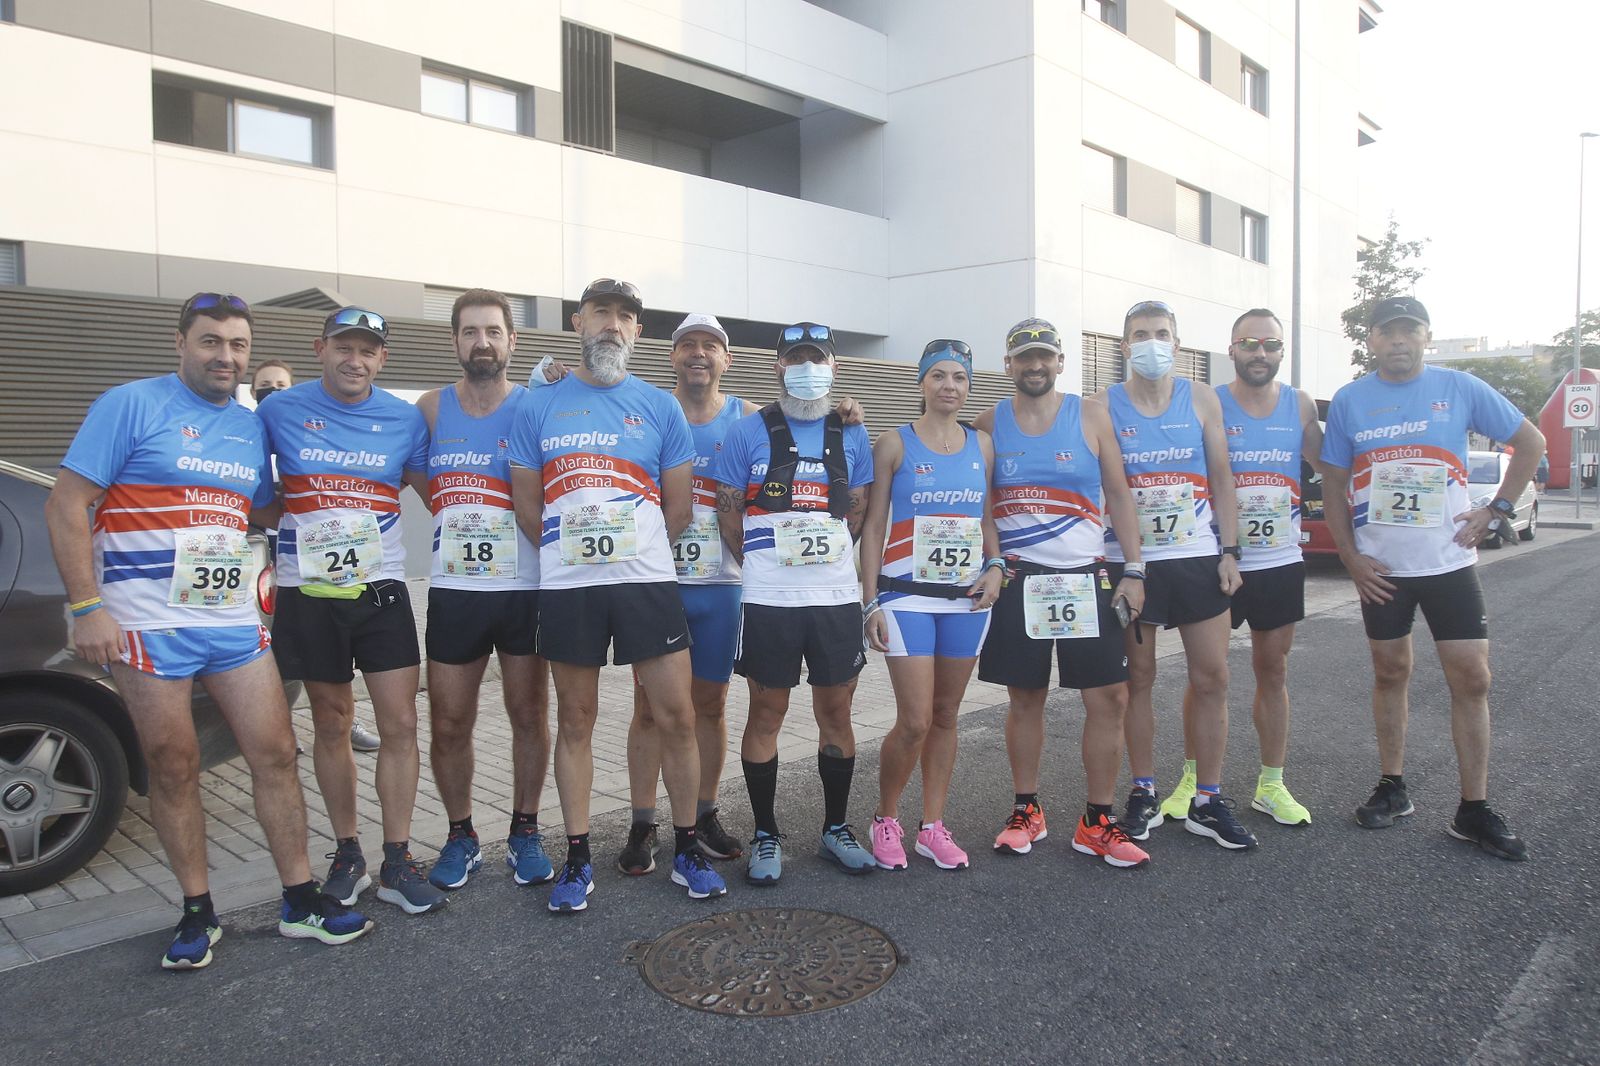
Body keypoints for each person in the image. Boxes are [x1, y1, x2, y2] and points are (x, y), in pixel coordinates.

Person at [44, 292, 371, 970]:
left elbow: (266, 509)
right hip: (144, 623)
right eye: (211, 341)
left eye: (238, 345)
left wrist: (347, 490)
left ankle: (300, 898)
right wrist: (86, 607)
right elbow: (67, 503)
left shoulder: (249, 428)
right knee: (173, 764)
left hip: (228, 619)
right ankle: (197, 910)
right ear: (181, 343)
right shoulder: (131, 404)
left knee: (275, 753)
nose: (226, 356)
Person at [508, 278, 727, 912]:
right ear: (578, 322)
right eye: (601, 311)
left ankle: (686, 849)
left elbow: (678, 509)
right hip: (570, 587)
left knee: (677, 716)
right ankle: (577, 859)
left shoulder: (659, 407)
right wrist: (572, 554)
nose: (613, 323)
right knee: (576, 721)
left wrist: (632, 554)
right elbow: (527, 507)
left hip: (646, 584)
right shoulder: (539, 404)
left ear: (637, 331)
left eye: (625, 316)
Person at [1321, 297, 1544, 861]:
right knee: (1390, 672)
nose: (1398, 340)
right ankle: (1392, 786)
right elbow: (1334, 484)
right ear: (1371, 340)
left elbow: (1532, 442)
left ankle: (1474, 808)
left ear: (1426, 336)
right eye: (1387, 331)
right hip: (1383, 570)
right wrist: (1349, 556)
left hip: (1449, 564)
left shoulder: (1459, 386)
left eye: (1410, 330)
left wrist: (1497, 509)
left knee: (1472, 679)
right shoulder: (1350, 400)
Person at [256, 307, 446, 914]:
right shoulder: (278, 411)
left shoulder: (403, 418)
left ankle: (397, 858)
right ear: (321, 349)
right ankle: (347, 853)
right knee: (332, 722)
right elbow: (256, 497)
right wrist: (306, 524)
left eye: (367, 350)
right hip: (309, 593)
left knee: (400, 724)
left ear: (382, 358)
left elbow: (431, 490)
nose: (355, 360)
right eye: (344, 347)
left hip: (381, 589)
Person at [972, 319, 1150, 868]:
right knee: (1026, 698)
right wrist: (992, 562)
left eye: (1044, 356)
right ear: (1009, 365)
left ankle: (1097, 821)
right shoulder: (988, 424)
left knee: (1109, 698)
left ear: (1060, 362)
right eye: (1025, 357)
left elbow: (1119, 494)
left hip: (1086, 577)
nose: (1035, 365)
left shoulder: (1090, 416)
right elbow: (978, 504)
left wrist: (1135, 569)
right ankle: (1026, 810)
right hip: (1019, 580)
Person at [712, 322, 877, 883]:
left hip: (835, 600)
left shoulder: (852, 431)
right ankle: (765, 834)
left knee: (837, 714)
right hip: (768, 601)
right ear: (779, 366)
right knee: (767, 713)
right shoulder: (747, 431)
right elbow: (728, 514)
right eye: (796, 359)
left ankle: (835, 828)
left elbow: (858, 509)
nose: (808, 368)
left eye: (818, 359)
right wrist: (765, 564)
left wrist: (827, 564)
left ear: (833, 366)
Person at [414, 289, 554, 891]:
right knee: (449, 721)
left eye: (493, 331)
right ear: (454, 340)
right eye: (470, 331)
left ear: (512, 341)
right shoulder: (429, 408)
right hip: (456, 591)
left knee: (529, 713)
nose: (482, 342)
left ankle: (525, 829)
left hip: (525, 589)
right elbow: (420, 482)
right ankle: (461, 834)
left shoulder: (535, 406)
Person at [1102, 300, 1255, 850]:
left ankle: (1207, 800)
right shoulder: (1102, 405)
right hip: (1133, 564)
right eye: (1141, 334)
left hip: (1196, 556)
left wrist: (1230, 551)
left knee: (1212, 678)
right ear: (1124, 345)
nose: (1151, 343)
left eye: (1161, 333)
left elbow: (1222, 476)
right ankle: (1143, 791)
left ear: (1177, 342)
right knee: (1137, 680)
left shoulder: (1202, 398)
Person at [860, 339, 1003, 871]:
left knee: (946, 715)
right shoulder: (893, 443)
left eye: (959, 377)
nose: (949, 385)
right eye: (938, 375)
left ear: (969, 385)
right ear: (921, 382)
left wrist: (996, 565)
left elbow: (986, 518)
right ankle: (886, 817)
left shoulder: (982, 445)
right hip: (905, 598)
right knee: (916, 720)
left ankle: (933, 826)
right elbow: (874, 526)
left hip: (966, 601)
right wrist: (869, 601)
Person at [619, 314, 753, 875]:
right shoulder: (650, 410)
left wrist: (846, 415)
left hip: (721, 587)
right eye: (688, 345)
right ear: (672, 356)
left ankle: (703, 812)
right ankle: (642, 822)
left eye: (710, 346)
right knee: (648, 708)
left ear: (726, 359)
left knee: (711, 706)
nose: (699, 354)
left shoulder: (748, 418)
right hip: (658, 584)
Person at [1213, 309, 1324, 826]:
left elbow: (1330, 468)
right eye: (1249, 343)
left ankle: (1272, 784)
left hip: (1279, 559)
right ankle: (1195, 783)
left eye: (1271, 345)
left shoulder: (1300, 404)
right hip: (1218, 559)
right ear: (1232, 349)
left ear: (1282, 351)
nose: (1260, 353)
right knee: (1207, 676)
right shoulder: (1209, 402)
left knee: (1272, 671)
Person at [250, 358, 382, 755]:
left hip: (336, 568)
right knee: (277, 654)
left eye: (280, 386)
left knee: (330, 673)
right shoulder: (258, 426)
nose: (272, 393)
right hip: (269, 562)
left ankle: (347, 721)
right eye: (264, 387)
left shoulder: (309, 424)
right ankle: (282, 729)